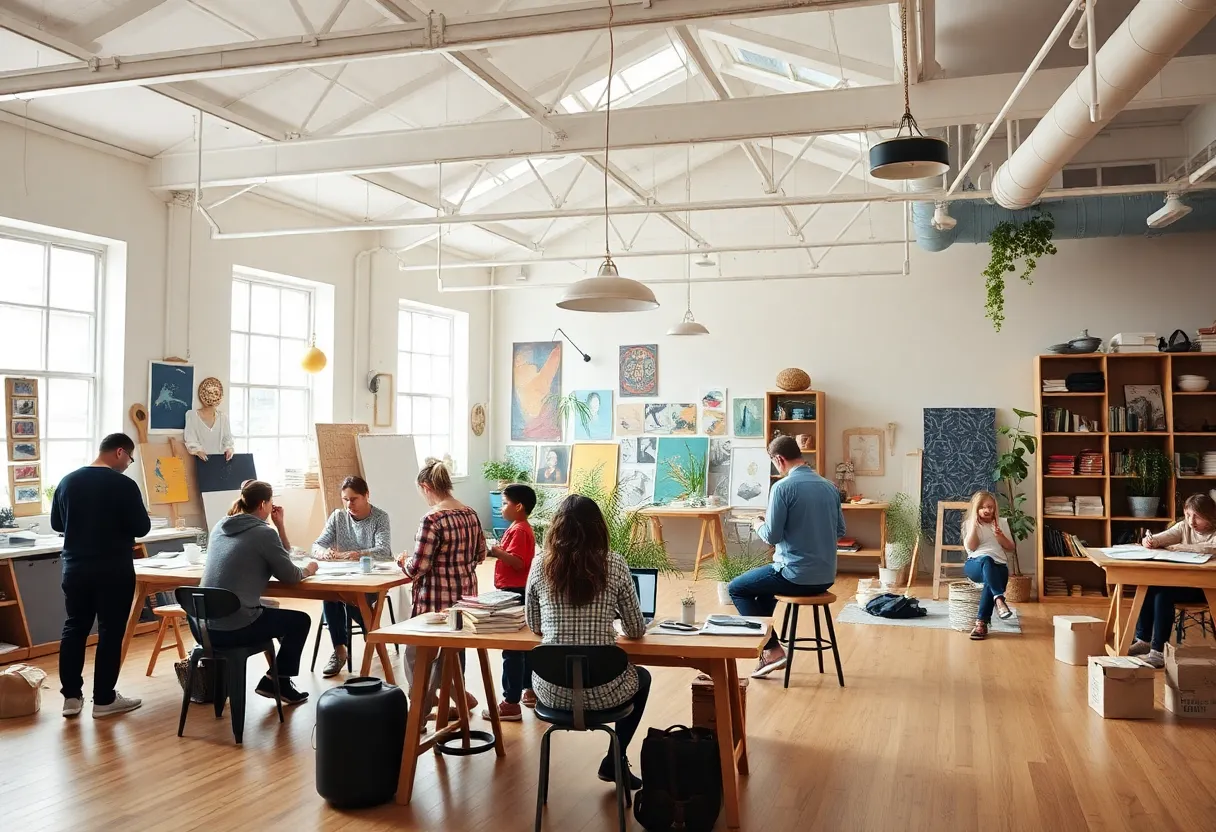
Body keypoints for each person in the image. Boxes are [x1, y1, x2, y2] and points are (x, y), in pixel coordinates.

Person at [526, 494, 650, 790]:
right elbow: (635, 629)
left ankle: (613, 761)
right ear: (599, 529)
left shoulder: (540, 565)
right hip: (606, 691)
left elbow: (535, 625)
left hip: (550, 690)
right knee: (642, 678)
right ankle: (614, 759)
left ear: (556, 528)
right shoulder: (615, 564)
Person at [729, 435, 844, 679]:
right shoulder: (829, 487)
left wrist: (757, 523)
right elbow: (840, 531)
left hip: (795, 575)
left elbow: (771, 536)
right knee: (763, 591)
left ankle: (771, 650)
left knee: (737, 588)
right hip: (825, 577)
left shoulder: (782, 488)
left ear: (779, 459)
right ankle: (769, 645)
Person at [52, 433, 151, 718]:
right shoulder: (123, 485)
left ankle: (71, 698)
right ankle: (104, 700)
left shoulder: (68, 481)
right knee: (110, 631)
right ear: (120, 452)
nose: (128, 465)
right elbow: (142, 527)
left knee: (74, 628)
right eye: (129, 459)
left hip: (75, 568)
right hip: (113, 569)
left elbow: (57, 522)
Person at [201, 480, 318, 705]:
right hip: (234, 627)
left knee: (271, 609)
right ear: (263, 504)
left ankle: (275, 677)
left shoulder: (220, 526)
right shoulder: (262, 534)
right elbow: (291, 575)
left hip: (204, 627)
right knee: (299, 621)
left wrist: (279, 525)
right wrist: (309, 569)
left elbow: (280, 555)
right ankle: (278, 681)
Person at [398, 458, 486, 719]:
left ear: (426, 486)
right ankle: (450, 696)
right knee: (453, 651)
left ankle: (421, 707)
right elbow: (481, 554)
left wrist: (402, 563)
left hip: (435, 602)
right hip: (466, 600)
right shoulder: (470, 513)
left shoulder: (432, 519)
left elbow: (418, 567)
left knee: (416, 653)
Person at [311, 475, 392, 678]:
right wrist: (323, 553)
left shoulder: (380, 517)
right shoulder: (338, 517)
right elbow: (317, 544)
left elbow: (384, 551)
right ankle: (340, 651)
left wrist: (360, 554)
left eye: (353, 499)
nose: (349, 504)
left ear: (366, 495)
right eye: (345, 499)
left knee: (348, 600)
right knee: (330, 594)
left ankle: (372, 636)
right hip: (342, 577)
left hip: (370, 579)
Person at [1128, 493, 1216, 667]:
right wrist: (1151, 541)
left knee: (1164, 594)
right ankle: (1143, 640)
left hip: (1207, 589)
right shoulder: (1184, 527)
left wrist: (1179, 547)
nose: (1192, 522)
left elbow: (1210, 548)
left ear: (1210, 515)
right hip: (1184, 584)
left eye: (1197, 516)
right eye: (1188, 515)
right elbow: (1165, 536)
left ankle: (1158, 651)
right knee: (1151, 586)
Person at [482, 483, 538, 721]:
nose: (501, 508)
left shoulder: (520, 530)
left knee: (512, 649)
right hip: (516, 590)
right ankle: (529, 690)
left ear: (519, 506)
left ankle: (510, 702)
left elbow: (517, 562)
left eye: (505, 503)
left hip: (514, 591)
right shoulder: (518, 527)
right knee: (522, 645)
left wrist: (494, 551)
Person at [961, 490, 1016, 641]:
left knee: (989, 582)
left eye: (991, 507)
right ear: (977, 509)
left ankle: (981, 625)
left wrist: (1000, 536)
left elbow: (1011, 547)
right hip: (975, 564)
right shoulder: (969, 524)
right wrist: (973, 526)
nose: (987, 510)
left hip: (999, 567)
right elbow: (971, 548)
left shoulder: (1002, 523)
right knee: (986, 560)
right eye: (983, 507)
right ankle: (999, 599)